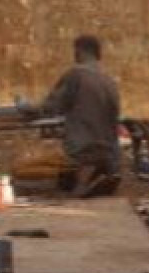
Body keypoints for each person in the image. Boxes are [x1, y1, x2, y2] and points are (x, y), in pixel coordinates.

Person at [18, 35, 122, 197]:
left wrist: (27, 108)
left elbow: (52, 106)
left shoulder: (76, 75)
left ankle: (80, 183)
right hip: (109, 150)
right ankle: (91, 177)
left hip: (82, 148)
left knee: (21, 165)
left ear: (79, 51)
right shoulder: (108, 80)